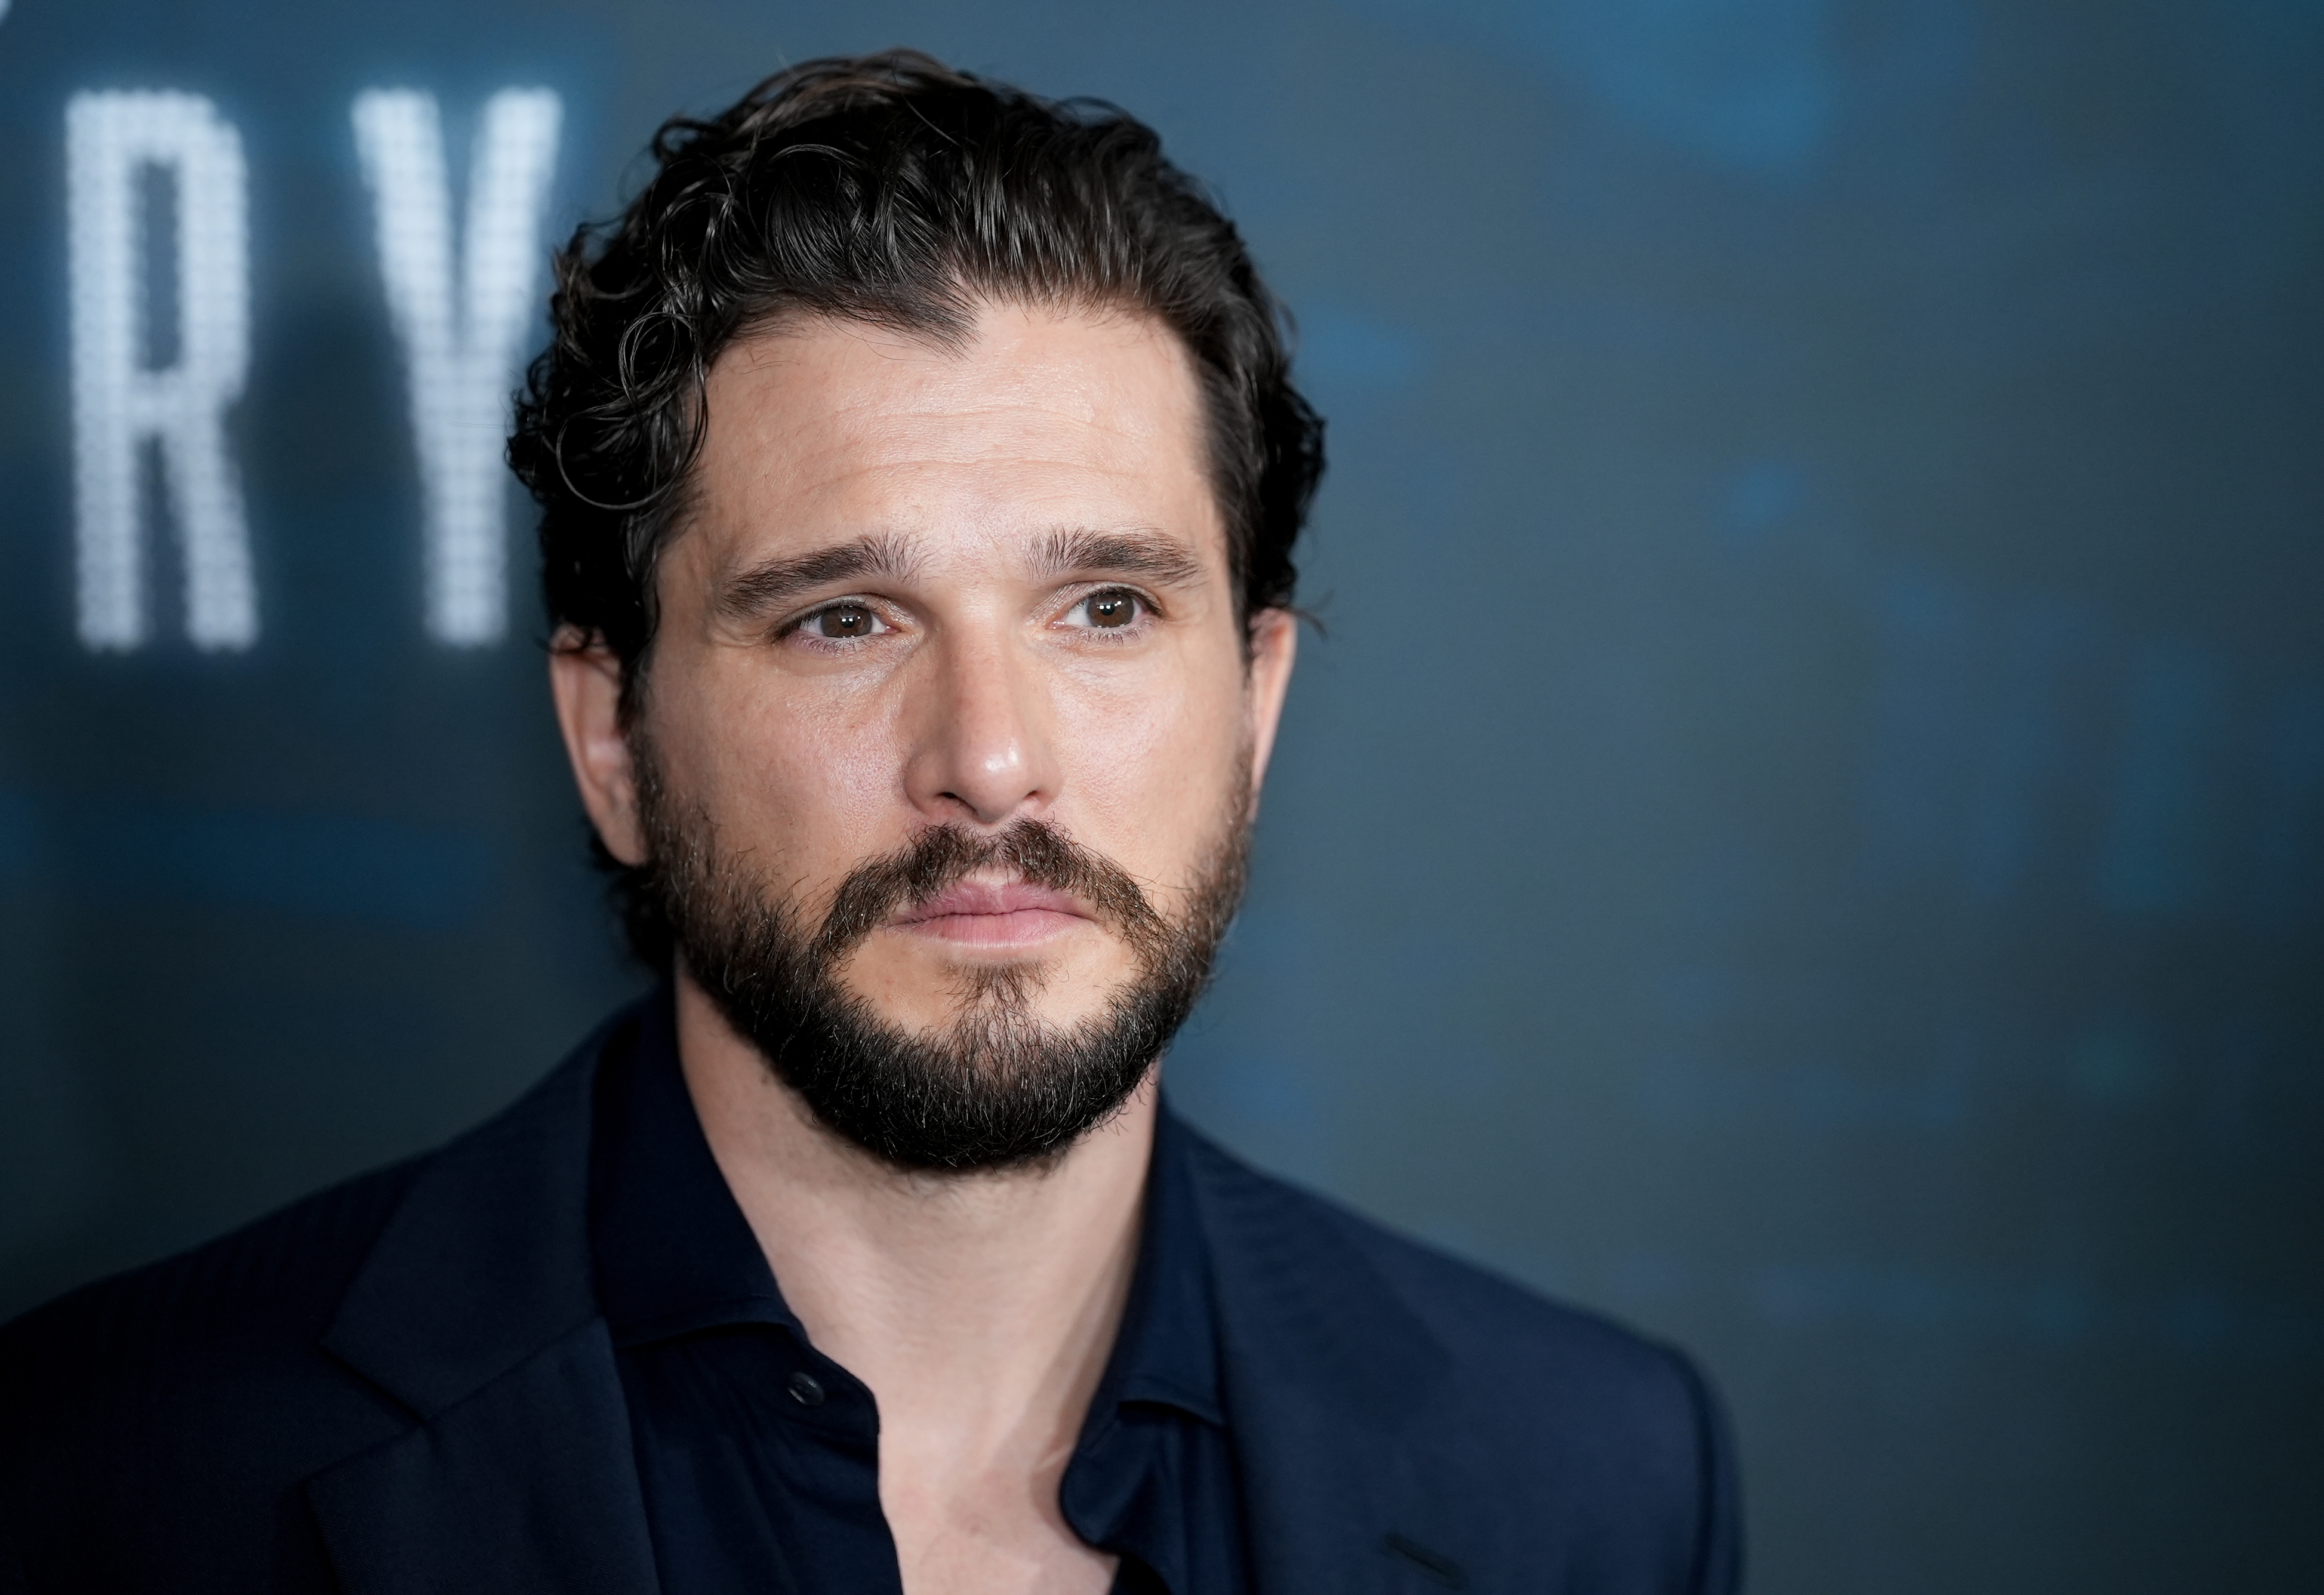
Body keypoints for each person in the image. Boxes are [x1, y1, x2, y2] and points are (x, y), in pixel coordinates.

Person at [0, 50, 1739, 1595]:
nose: (989, 760)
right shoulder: (101, 1481)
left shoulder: (1595, 1483)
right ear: (613, 737)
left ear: (1257, 703)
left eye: (1108, 610)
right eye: (845, 619)